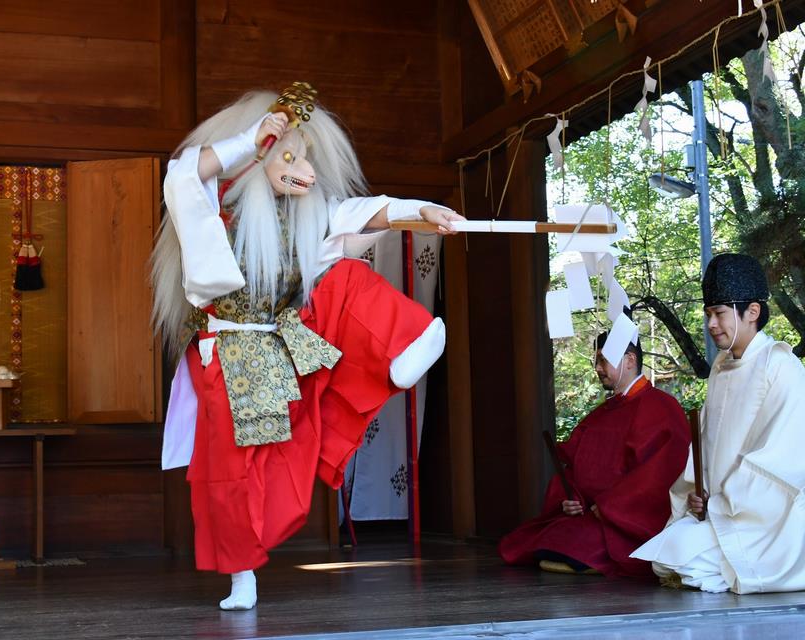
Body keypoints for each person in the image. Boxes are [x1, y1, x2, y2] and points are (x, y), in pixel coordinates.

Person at [151, 84, 464, 610]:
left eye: (307, 159)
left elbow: (363, 213)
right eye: (289, 157)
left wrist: (421, 209)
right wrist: (252, 140)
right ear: (261, 155)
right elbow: (183, 173)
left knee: (346, 276)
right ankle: (242, 573)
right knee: (232, 473)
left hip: (287, 346)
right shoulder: (211, 213)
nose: (306, 172)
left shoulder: (304, 217)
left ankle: (404, 341)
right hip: (227, 359)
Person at [632, 253, 805, 593]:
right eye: (709, 314)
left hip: (767, 521)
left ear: (752, 312)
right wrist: (699, 492)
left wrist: (722, 502)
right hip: (721, 510)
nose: (711, 324)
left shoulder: (780, 365)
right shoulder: (721, 367)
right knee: (665, 555)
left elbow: (784, 461)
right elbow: (707, 444)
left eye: (720, 314)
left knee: (681, 556)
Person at [499, 331, 690, 577]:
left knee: (566, 547)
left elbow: (659, 475)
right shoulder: (602, 414)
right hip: (591, 514)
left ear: (630, 360)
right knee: (533, 542)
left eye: (603, 360)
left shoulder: (662, 407)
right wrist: (571, 499)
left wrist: (610, 506)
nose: (598, 368)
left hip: (625, 522)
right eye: (597, 361)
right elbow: (572, 468)